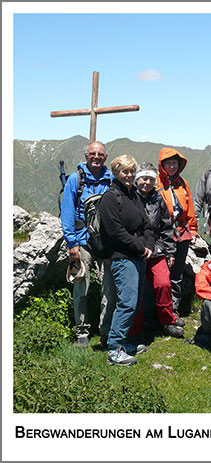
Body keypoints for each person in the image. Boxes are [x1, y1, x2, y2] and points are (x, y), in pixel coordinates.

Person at [60, 141, 117, 347]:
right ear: (86, 156)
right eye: (92, 153)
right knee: (81, 285)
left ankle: (106, 330)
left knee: (109, 288)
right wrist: (72, 243)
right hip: (82, 240)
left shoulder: (111, 179)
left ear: (105, 157)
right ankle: (82, 331)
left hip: (105, 242)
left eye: (100, 154)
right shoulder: (75, 180)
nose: (96, 157)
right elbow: (67, 214)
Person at [99, 155, 154, 366]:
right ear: (116, 173)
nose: (130, 175)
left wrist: (148, 245)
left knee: (134, 302)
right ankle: (114, 349)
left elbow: (146, 225)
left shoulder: (133, 195)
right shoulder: (110, 198)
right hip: (122, 258)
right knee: (127, 303)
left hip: (138, 256)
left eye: (132, 171)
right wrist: (141, 248)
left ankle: (123, 342)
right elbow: (115, 231)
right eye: (125, 171)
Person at [134, 162, 184, 339]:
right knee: (136, 288)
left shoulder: (158, 199)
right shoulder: (130, 198)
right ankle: (137, 325)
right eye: (143, 178)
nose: (146, 183)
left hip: (156, 250)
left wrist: (169, 252)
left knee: (163, 284)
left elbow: (166, 227)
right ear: (137, 179)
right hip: (135, 250)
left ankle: (166, 320)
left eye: (150, 179)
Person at [158, 147, 198, 316]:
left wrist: (193, 230)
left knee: (177, 272)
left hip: (181, 232)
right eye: (168, 163)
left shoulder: (183, 183)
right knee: (161, 273)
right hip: (162, 234)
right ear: (162, 165)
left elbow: (189, 209)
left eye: (175, 163)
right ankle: (160, 309)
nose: (172, 166)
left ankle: (173, 309)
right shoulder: (157, 183)